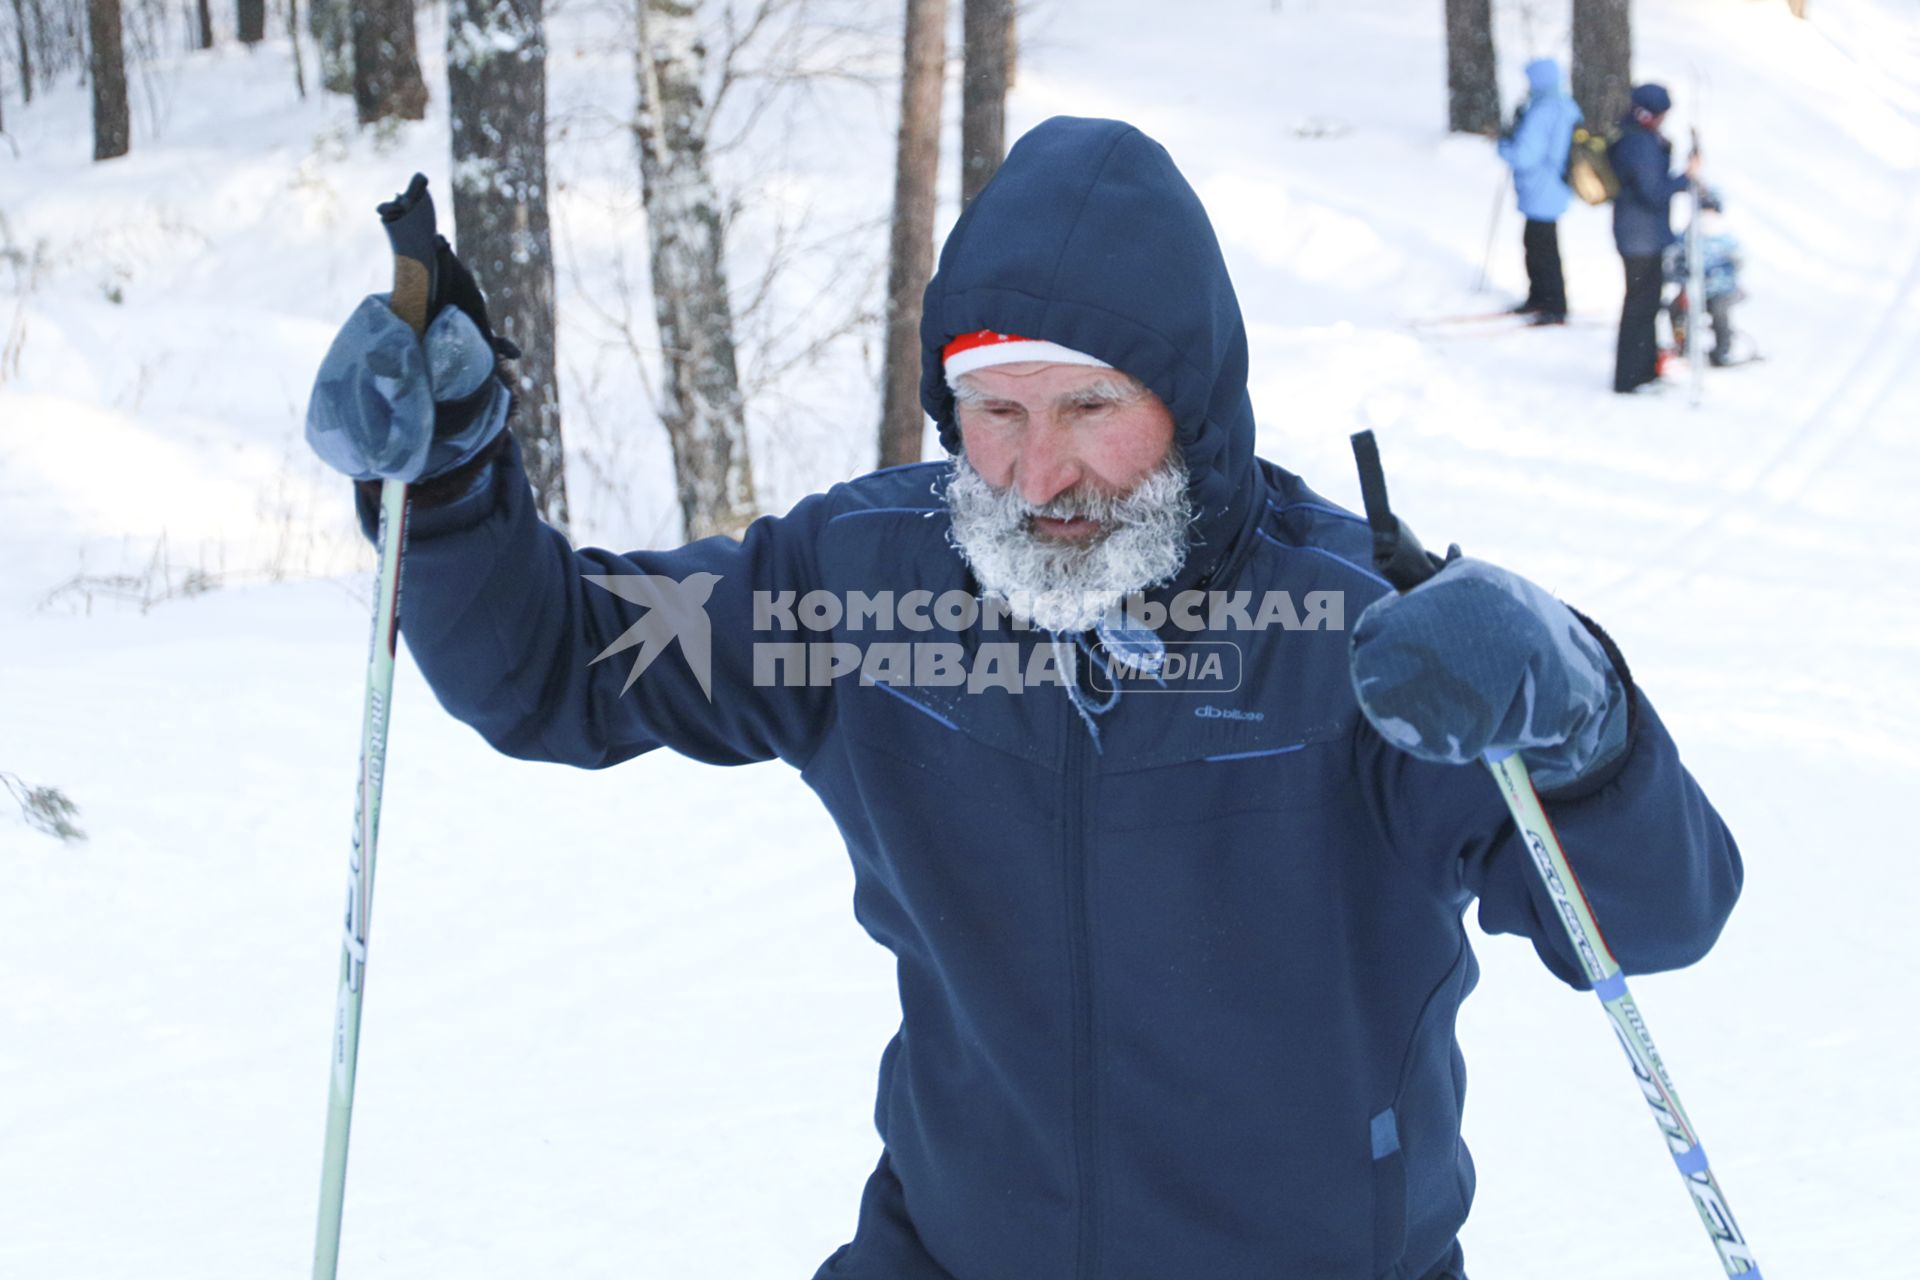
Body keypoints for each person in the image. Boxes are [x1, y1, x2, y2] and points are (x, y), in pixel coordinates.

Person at [306, 117, 1743, 1279]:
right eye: (996, 410)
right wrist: (442, 494)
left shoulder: (1361, 637)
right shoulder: (862, 582)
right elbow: (554, 667)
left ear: (1194, 400)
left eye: (1090, 407)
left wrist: (1580, 716)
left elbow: (1659, 924)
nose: (1038, 473)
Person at [1608, 83, 1703, 392]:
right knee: (1640, 307)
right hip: (1641, 238)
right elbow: (1653, 192)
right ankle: (1631, 377)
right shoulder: (1640, 144)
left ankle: (1645, 369)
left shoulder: (1639, 138)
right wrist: (1685, 177)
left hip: (1641, 235)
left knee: (1646, 305)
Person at [1496, 57, 1584, 325]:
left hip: (1540, 186)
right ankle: (1541, 298)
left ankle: (1552, 304)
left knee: (1540, 247)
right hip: (1555, 184)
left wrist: (1504, 147)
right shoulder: (1566, 105)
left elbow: (1526, 154)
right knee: (1542, 244)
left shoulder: (1542, 110)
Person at [1666, 186, 1746, 367]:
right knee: (1677, 311)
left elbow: (1737, 263)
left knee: (1719, 313)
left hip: (1719, 289)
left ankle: (1721, 351)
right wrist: (1679, 275)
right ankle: (1682, 346)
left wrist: (1720, 278)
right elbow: (1674, 259)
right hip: (1692, 287)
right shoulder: (1688, 236)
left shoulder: (1726, 237)